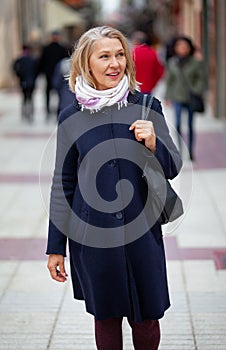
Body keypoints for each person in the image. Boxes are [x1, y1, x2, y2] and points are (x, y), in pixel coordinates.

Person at [46, 26, 182, 350]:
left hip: (142, 231)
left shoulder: (148, 105)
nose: (115, 63)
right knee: (105, 319)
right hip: (92, 236)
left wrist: (154, 144)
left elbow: (173, 166)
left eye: (120, 54)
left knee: (147, 318)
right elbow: (62, 182)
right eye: (104, 56)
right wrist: (55, 247)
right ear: (86, 63)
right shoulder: (70, 117)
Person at [165, 35, 206, 161]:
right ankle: (179, 149)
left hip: (190, 97)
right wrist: (167, 96)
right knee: (177, 124)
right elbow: (169, 81)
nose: (182, 48)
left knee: (190, 125)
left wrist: (196, 90)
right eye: (179, 46)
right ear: (175, 48)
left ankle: (191, 151)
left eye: (185, 46)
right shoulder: (172, 62)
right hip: (177, 97)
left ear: (189, 48)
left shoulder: (196, 62)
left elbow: (202, 79)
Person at [38, 30, 67, 118]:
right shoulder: (59, 48)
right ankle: (50, 110)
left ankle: (52, 110)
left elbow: (42, 62)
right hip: (54, 74)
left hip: (52, 74)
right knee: (55, 93)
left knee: (54, 93)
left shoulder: (49, 48)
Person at [12, 44, 38, 121]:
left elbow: (14, 68)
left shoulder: (20, 60)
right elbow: (37, 70)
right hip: (31, 81)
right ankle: (30, 113)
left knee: (24, 98)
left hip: (23, 81)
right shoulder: (33, 59)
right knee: (30, 98)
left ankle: (24, 113)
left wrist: (19, 76)